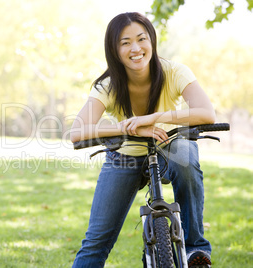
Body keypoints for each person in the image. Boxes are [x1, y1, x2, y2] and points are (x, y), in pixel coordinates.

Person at [70, 12, 215, 267]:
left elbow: (207, 113)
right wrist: (130, 129)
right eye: (125, 42)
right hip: (124, 155)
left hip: (168, 143)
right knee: (95, 242)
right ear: (114, 50)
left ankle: (195, 249)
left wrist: (155, 117)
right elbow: (77, 131)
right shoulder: (108, 85)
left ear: (152, 41)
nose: (135, 48)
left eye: (141, 39)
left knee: (186, 156)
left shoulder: (174, 71)